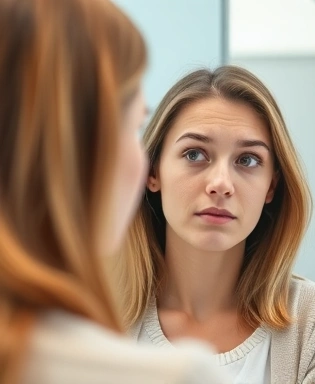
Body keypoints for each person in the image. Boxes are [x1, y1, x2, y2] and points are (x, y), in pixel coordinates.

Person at [0, 0, 228, 383]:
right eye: (134, 126)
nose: (220, 184)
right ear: (74, 147)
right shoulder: (174, 375)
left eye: (249, 160)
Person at [120, 65, 315, 383]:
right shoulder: (89, 317)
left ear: (271, 187)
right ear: (152, 173)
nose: (221, 184)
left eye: (247, 160)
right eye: (195, 154)